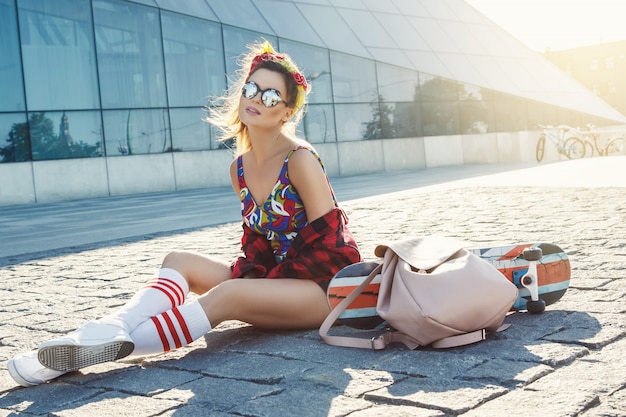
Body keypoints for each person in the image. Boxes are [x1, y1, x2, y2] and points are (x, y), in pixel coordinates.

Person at [8, 40, 362, 387]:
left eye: (270, 96)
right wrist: (262, 280)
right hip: (273, 282)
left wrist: (264, 284)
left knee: (230, 295)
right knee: (179, 260)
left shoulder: (299, 159)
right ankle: (102, 333)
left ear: (286, 111)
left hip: (319, 292)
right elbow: (258, 243)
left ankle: (104, 350)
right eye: (251, 88)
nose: (255, 98)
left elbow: (335, 250)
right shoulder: (239, 169)